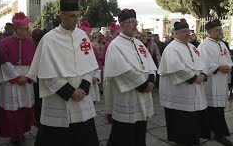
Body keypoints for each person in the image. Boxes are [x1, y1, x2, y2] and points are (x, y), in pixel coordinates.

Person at [28, 0, 99, 146]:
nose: (77, 19)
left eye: (78, 15)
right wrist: (70, 92)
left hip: (82, 98)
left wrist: (84, 87)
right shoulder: (49, 39)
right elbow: (46, 74)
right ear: (62, 15)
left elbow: (90, 65)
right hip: (59, 100)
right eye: (72, 16)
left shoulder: (82, 36)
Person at [104, 8, 156, 146]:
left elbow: (150, 63)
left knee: (140, 128)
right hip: (128, 95)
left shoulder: (139, 43)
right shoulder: (115, 45)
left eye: (135, 21)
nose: (135, 25)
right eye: (131, 22)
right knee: (124, 132)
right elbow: (122, 70)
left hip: (143, 92)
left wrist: (151, 79)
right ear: (122, 25)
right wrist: (143, 85)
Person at [158, 20, 210, 146]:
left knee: (193, 122)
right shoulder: (171, 48)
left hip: (195, 90)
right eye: (183, 32)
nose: (187, 34)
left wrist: (203, 74)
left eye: (188, 31)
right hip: (180, 92)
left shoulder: (192, 47)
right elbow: (176, 67)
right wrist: (194, 78)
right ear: (175, 34)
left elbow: (202, 62)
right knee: (182, 125)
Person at [0, 12, 37, 146]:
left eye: (28, 28)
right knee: (12, 110)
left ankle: (22, 132)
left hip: (27, 77)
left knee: (24, 109)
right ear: (16, 29)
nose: (28, 31)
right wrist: (15, 77)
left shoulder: (31, 43)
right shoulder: (4, 42)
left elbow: (36, 62)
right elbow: (4, 62)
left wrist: (28, 77)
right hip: (10, 78)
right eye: (25, 29)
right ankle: (14, 135)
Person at [198, 19, 233, 146]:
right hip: (211, 82)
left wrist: (229, 66)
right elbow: (203, 64)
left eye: (220, 29)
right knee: (213, 108)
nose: (220, 32)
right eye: (217, 30)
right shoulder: (204, 46)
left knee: (219, 108)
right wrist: (218, 67)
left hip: (222, 80)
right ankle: (218, 134)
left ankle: (217, 131)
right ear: (209, 32)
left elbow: (227, 58)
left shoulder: (222, 44)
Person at [79, 21, 101, 102]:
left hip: (92, 79)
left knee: (92, 100)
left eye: (87, 35)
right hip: (79, 80)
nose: (85, 37)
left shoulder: (93, 49)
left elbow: (98, 64)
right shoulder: (75, 47)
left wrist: (96, 76)